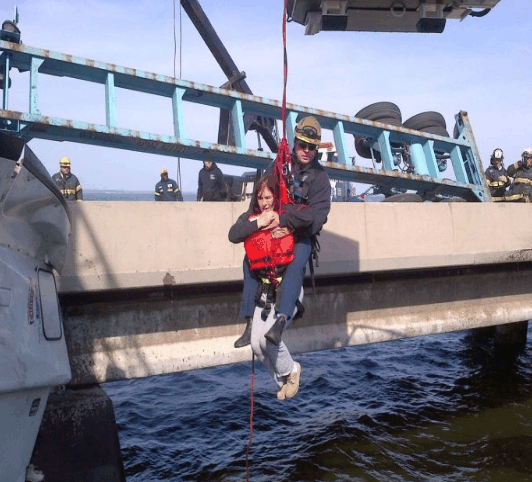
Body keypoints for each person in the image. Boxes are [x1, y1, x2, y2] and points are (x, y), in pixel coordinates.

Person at [233, 116, 331, 353]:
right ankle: (248, 321)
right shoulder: (279, 164)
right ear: (295, 142)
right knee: (250, 259)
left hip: (300, 234)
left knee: (297, 261)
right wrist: (251, 222)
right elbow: (262, 193)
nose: (306, 151)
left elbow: (317, 219)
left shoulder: (321, 179)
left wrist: (286, 223)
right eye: (302, 145)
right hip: (271, 229)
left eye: (312, 147)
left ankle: (282, 319)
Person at [228, 175, 313, 399]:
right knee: (256, 345)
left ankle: (292, 370)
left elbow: (309, 218)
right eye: (260, 198)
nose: (265, 202)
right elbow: (233, 234)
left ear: (275, 198)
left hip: (286, 290)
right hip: (264, 293)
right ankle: (282, 381)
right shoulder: (250, 218)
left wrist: (283, 223)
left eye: (268, 197)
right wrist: (260, 222)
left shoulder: (286, 215)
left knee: (268, 340)